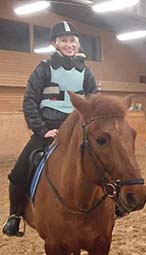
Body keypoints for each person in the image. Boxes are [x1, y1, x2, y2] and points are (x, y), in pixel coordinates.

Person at [2, 21, 98, 237]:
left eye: (72, 40)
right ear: (55, 43)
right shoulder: (44, 68)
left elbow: (95, 101)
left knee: (103, 161)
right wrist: (42, 129)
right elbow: (30, 101)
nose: (69, 44)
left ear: (77, 43)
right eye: (64, 40)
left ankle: (115, 205)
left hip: (78, 128)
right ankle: (15, 216)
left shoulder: (87, 71)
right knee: (18, 172)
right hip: (50, 128)